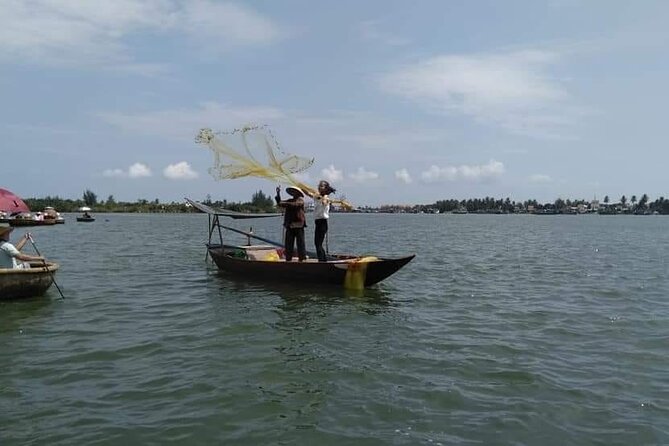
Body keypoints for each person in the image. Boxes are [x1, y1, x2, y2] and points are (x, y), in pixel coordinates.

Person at [304, 180, 336, 261]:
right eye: (319, 185)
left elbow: (325, 202)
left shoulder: (326, 197)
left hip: (322, 223)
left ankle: (322, 261)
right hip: (318, 223)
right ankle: (323, 260)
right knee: (318, 244)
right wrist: (301, 188)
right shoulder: (316, 196)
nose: (319, 187)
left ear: (325, 188)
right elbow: (308, 194)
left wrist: (324, 199)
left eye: (321, 186)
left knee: (318, 244)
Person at [275, 186, 307, 262]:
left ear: (298, 193)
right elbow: (280, 203)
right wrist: (278, 193)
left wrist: (285, 203)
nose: (293, 193)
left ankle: (302, 259)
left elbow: (295, 204)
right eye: (292, 192)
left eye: (295, 192)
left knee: (300, 243)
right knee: (288, 244)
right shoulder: (289, 201)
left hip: (299, 225)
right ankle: (288, 259)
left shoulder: (300, 200)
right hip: (290, 225)